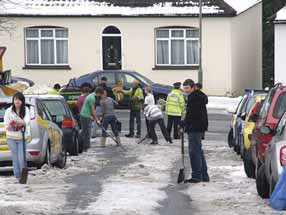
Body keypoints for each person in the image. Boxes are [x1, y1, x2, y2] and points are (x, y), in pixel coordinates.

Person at [183, 79, 209, 183]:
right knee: (198, 150)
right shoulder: (199, 96)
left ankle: (197, 176)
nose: (186, 90)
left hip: (195, 127)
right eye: (184, 88)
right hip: (199, 126)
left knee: (194, 151)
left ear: (193, 87)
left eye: (187, 88)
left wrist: (183, 123)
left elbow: (191, 114)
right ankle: (204, 175)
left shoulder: (194, 97)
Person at [4, 92, 31, 182]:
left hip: (22, 138)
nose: (17, 101)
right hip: (11, 137)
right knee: (15, 158)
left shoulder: (26, 110)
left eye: (19, 99)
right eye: (15, 99)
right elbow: (7, 125)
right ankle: (17, 176)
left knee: (21, 158)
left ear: (22, 101)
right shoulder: (9, 111)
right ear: (13, 101)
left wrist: (18, 121)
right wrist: (15, 123)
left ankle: (23, 176)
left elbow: (26, 122)